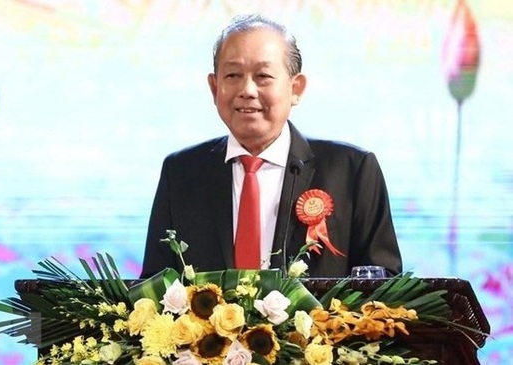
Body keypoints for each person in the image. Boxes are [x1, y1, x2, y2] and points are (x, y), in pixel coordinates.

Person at [140, 14, 402, 278]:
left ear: (296, 88)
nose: (247, 90)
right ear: (214, 87)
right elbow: (152, 288)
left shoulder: (352, 170)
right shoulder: (181, 172)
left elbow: (384, 284)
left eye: (263, 76)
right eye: (232, 75)